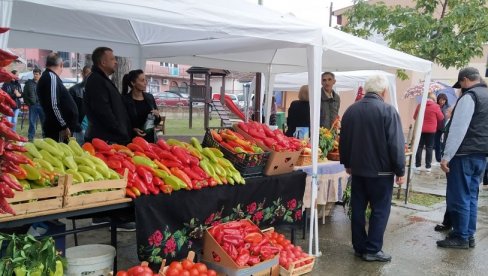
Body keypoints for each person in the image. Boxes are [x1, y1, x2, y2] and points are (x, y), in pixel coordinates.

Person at [339, 74, 405, 262]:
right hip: (381, 172)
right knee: (380, 210)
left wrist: (347, 163)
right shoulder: (387, 110)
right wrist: (400, 170)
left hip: (358, 170)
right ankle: (373, 249)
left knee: (358, 208)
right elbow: (396, 144)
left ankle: (360, 246)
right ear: (383, 91)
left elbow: (344, 140)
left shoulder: (351, 110)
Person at [437, 67, 488, 249]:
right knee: (472, 196)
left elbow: (458, 129)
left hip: (463, 155)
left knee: (460, 196)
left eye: (461, 84)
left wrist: (446, 157)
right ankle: (468, 234)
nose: (461, 88)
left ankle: (460, 236)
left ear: (465, 80)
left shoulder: (470, 97)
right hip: (481, 155)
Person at [84, 46, 131, 145]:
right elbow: (103, 111)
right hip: (105, 139)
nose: (116, 62)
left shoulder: (103, 79)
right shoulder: (96, 80)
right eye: (112, 59)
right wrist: (119, 130)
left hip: (111, 137)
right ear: (103, 62)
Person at [37, 53, 80, 142]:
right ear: (61, 65)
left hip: (59, 127)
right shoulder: (51, 77)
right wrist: (63, 125)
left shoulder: (49, 77)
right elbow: (53, 105)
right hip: (59, 129)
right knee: (61, 154)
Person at [121, 69, 160, 143]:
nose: (145, 83)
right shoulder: (124, 100)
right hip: (132, 141)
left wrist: (157, 116)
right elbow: (122, 121)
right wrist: (133, 129)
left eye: (145, 80)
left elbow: (156, 120)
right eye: (142, 80)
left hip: (149, 141)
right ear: (133, 83)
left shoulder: (150, 97)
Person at [413, 92, 444, 173]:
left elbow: (414, 117)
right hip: (431, 130)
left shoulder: (420, 105)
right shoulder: (436, 106)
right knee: (429, 147)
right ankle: (428, 167)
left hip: (421, 129)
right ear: (433, 99)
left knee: (419, 147)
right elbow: (441, 118)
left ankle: (418, 165)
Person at [69, 66, 91, 145]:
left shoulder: (98, 91)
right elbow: (69, 111)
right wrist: (77, 126)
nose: (89, 76)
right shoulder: (74, 90)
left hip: (93, 129)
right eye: (87, 74)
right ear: (83, 74)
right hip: (78, 128)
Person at [22, 68, 45, 141]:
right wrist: (28, 103)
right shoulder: (29, 83)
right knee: (32, 122)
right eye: (34, 74)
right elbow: (25, 94)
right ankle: (30, 138)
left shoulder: (44, 83)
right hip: (33, 106)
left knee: (44, 122)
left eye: (37, 74)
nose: (35, 75)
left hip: (42, 105)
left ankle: (45, 138)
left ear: (40, 74)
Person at [434, 93, 450, 163]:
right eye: (441, 100)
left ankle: (443, 158)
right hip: (436, 127)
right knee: (437, 143)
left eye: (444, 100)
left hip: (444, 127)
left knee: (444, 143)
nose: (442, 101)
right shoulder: (435, 106)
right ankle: (438, 159)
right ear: (438, 99)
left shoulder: (447, 107)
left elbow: (448, 117)